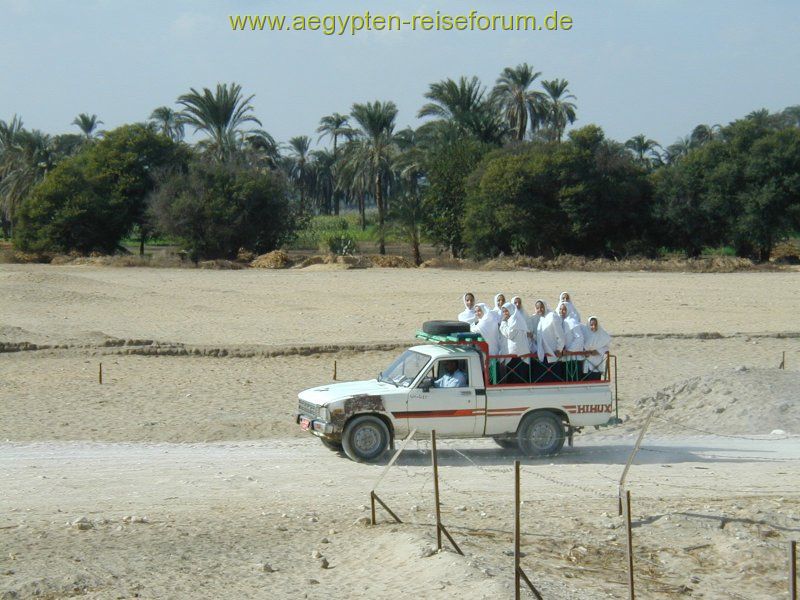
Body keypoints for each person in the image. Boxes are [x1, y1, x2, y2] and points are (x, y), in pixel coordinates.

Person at [500, 302, 530, 383]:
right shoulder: (511, 319)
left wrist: (503, 324)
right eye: (503, 311)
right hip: (513, 355)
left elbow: (510, 334)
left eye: (506, 311)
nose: (505, 313)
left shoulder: (515, 319)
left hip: (519, 356)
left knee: (519, 380)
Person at [535, 304, 566, 381]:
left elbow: (560, 335)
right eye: (538, 308)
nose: (540, 309)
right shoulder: (541, 320)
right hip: (543, 356)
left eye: (541, 307)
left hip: (553, 356)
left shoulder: (552, 316)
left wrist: (559, 349)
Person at [558, 301, 585, 380]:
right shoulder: (561, 322)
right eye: (560, 309)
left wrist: (570, 350)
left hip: (574, 358)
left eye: (564, 310)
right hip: (565, 358)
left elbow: (579, 338)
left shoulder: (572, 321)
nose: (561, 312)